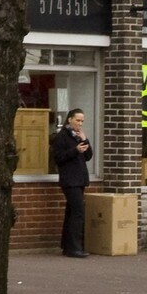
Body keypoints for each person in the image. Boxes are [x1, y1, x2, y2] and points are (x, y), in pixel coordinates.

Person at [50, 107, 92, 258]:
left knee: (71, 212)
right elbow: (58, 157)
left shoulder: (78, 136)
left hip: (80, 179)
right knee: (78, 212)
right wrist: (75, 150)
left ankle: (67, 246)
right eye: (78, 120)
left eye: (82, 121)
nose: (80, 124)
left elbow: (88, 156)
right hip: (70, 180)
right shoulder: (62, 136)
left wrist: (85, 140)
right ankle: (75, 247)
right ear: (70, 120)